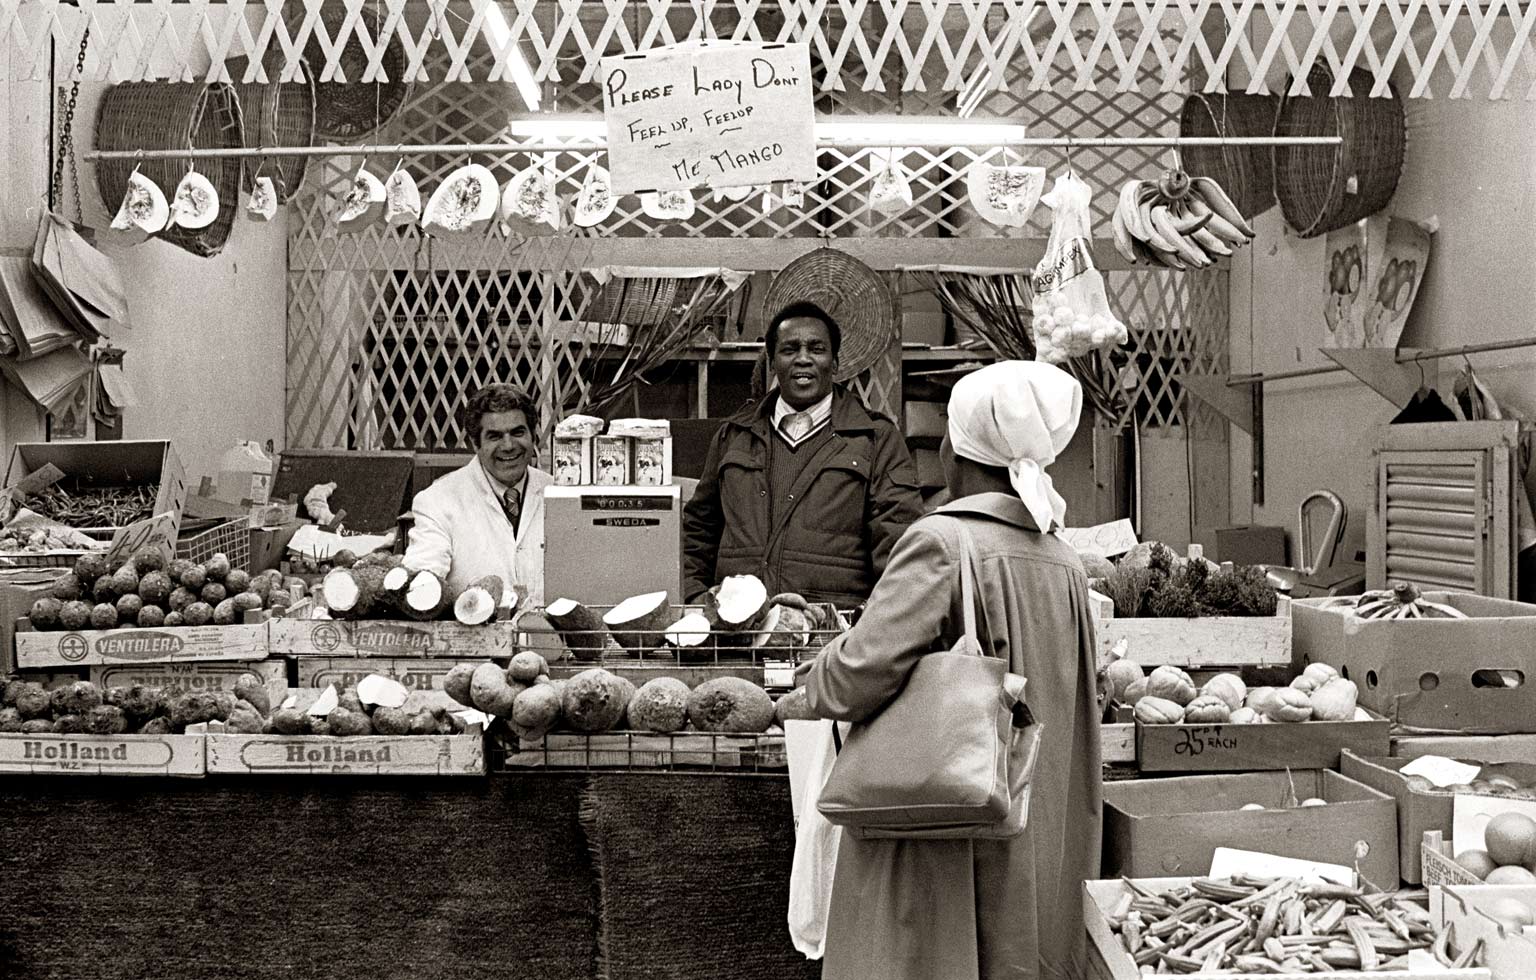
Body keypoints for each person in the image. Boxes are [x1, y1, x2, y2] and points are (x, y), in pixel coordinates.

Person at [800, 360, 1102, 980]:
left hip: (943, 834)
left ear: (953, 448)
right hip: (1034, 831)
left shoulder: (941, 541)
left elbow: (853, 679)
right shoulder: (1066, 561)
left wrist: (816, 671)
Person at [682, 301, 923, 606]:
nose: (803, 359)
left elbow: (898, 543)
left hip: (833, 634)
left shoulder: (875, 439)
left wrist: (873, 629)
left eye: (817, 349)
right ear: (772, 361)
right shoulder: (734, 436)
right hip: (740, 631)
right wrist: (695, 600)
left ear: (834, 363)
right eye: (790, 349)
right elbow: (698, 530)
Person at [404, 383, 553, 605]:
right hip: (472, 636)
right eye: (494, 436)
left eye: (518, 432)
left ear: (533, 436)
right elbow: (424, 575)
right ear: (475, 443)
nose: (509, 445)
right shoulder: (437, 501)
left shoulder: (558, 493)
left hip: (550, 636)